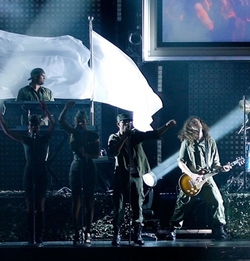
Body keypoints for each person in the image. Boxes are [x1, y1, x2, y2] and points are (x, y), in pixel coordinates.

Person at [108, 112, 177, 245]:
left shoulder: (135, 136)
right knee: (119, 206)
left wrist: (167, 126)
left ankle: (137, 234)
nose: (128, 125)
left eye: (129, 122)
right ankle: (116, 235)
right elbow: (114, 151)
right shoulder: (114, 137)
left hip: (136, 175)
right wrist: (124, 138)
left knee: (137, 205)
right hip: (121, 176)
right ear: (118, 124)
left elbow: (153, 134)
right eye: (124, 123)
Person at [0, 100, 54, 245]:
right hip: (30, 171)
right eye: (31, 125)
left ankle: (39, 237)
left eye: (35, 125)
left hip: (41, 171)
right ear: (29, 127)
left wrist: (46, 110)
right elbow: (8, 132)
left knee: (40, 204)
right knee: (30, 204)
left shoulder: (44, 139)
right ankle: (30, 237)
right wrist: (0, 117)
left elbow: (53, 124)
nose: (33, 127)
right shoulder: (26, 140)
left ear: (39, 127)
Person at [170, 117, 232, 240]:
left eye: (197, 121)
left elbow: (216, 164)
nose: (195, 122)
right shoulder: (187, 142)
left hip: (207, 178)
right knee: (182, 204)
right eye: (192, 122)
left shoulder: (211, 142)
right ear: (189, 128)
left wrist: (222, 168)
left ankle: (219, 230)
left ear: (201, 124)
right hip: (190, 179)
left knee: (217, 201)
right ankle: (172, 228)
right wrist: (192, 175)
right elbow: (180, 162)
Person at [59, 101, 100, 244]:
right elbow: (61, 121)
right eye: (78, 122)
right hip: (76, 166)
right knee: (76, 200)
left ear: (86, 122)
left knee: (89, 200)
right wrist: (66, 108)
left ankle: (87, 232)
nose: (80, 124)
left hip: (89, 166)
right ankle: (76, 232)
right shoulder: (73, 132)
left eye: (82, 122)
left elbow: (97, 154)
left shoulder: (93, 135)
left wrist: (87, 154)